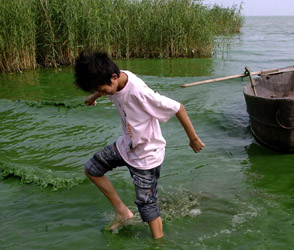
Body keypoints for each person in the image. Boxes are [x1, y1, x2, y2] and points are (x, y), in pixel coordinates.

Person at [74, 52, 205, 239]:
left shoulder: (139, 93)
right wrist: (94, 96)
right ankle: (123, 212)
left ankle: (159, 246)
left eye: (102, 89)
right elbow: (107, 88)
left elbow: (178, 108)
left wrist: (193, 139)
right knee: (92, 169)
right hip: (126, 146)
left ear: (113, 77)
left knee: (147, 206)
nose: (102, 92)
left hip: (146, 155)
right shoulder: (116, 78)